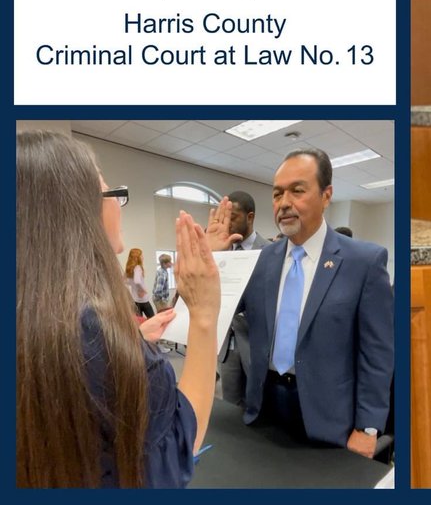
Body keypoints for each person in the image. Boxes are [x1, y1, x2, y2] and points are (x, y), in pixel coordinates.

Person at [16, 131, 221, 487]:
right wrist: (204, 315)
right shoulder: (96, 335)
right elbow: (178, 447)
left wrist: (132, 340)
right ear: (79, 211)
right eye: (111, 193)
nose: (117, 204)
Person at [206, 148, 394, 458]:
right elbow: (215, 309)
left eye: (297, 190)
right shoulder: (261, 261)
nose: (284, 203)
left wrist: (368, 428)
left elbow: (377, 354)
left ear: (326, 195)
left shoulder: (364, 262)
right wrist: (215, 259)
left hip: (328, 419)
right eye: (278, 194)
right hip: (264, 409)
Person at [218, 191, 271, 406]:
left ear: (250, 217)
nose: (227, 223)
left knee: (259, 403)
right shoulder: (222, 251)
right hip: (227, 343)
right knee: (230, 404)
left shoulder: (270, 252)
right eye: (225, 217)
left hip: (256, 342)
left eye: (233, 217)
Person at [125, 247, 156, 320]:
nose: (143, 257)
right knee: (152, 319)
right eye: (141, 255)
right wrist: (142, 290)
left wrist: (135, 287)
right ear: (137, 257)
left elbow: (126, 281)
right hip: (143, 300)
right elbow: (137, 281)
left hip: (135, 300)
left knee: (139, 321)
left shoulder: (129, 269)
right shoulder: (138, 267)